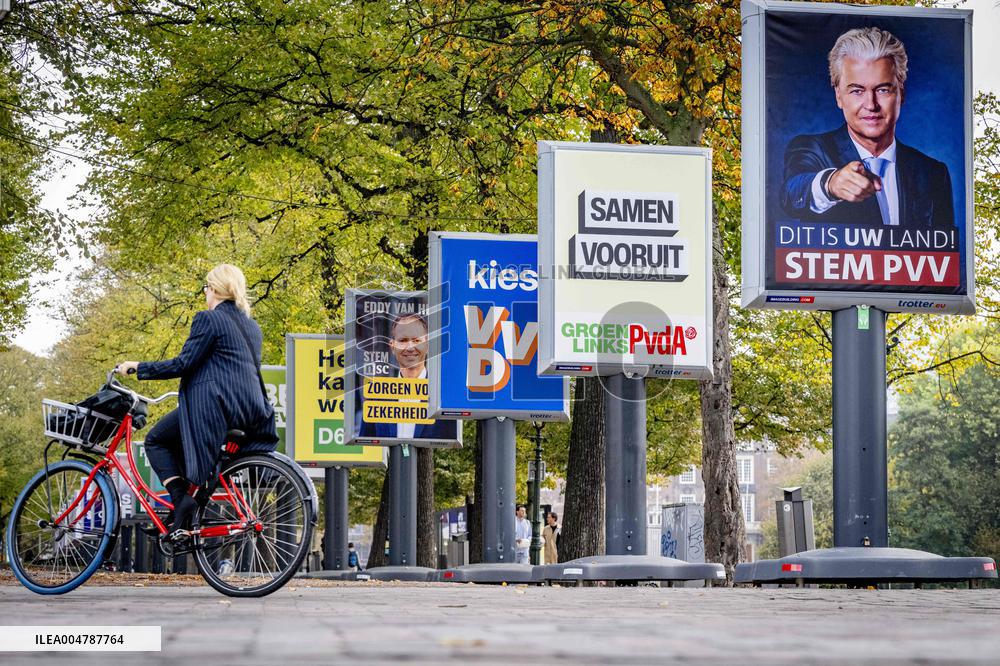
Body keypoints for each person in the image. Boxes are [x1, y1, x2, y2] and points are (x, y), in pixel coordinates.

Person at [116, 264, 278, 536]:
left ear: (213, 289)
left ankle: (181, 501)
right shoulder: (252, 327)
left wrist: (138, 367)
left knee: (156, 440)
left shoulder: (208, 319)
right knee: (182, 441)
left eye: (206, 288)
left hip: (218, 408)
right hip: (252, 410)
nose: (205, 293)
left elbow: (183, 363)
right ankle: (182, 515)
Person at [780, 26, 954, 230]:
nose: (871, 104)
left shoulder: (933, 173)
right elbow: (792, 193)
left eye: (882, 90)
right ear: (838, 96)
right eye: (857, 91)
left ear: (902, 93)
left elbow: (945, 247)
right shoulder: (812, 149)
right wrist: (831, 184)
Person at [358, 313, 457, 440]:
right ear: (392, 346)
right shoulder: (377, 396)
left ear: (427, 344)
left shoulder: (444, 396)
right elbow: (366, 444)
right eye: (403, 341)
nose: (410, 347)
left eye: (416, 340)